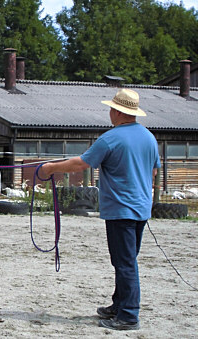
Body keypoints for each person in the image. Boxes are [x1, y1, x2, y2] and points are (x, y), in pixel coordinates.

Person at [39, 89, 160, 331]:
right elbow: (154, 171)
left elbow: (82, 163)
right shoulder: (149, 137)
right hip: (140, 208)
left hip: (120, 209)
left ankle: (128, 315)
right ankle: (119, 304)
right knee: (125, 259)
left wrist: (51, 167)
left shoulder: (111, 138)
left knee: (124, 262)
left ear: (117, 111)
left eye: (111, 108)